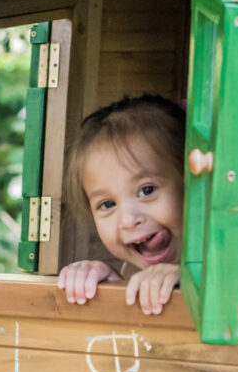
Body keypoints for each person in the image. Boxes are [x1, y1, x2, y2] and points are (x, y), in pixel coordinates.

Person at [57, 94, 185, 315]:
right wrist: (111, 282)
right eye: (107, 204)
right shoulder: (132, 266)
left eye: (147, 190)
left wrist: (187, 280)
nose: (127, 220)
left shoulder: (229, 262)